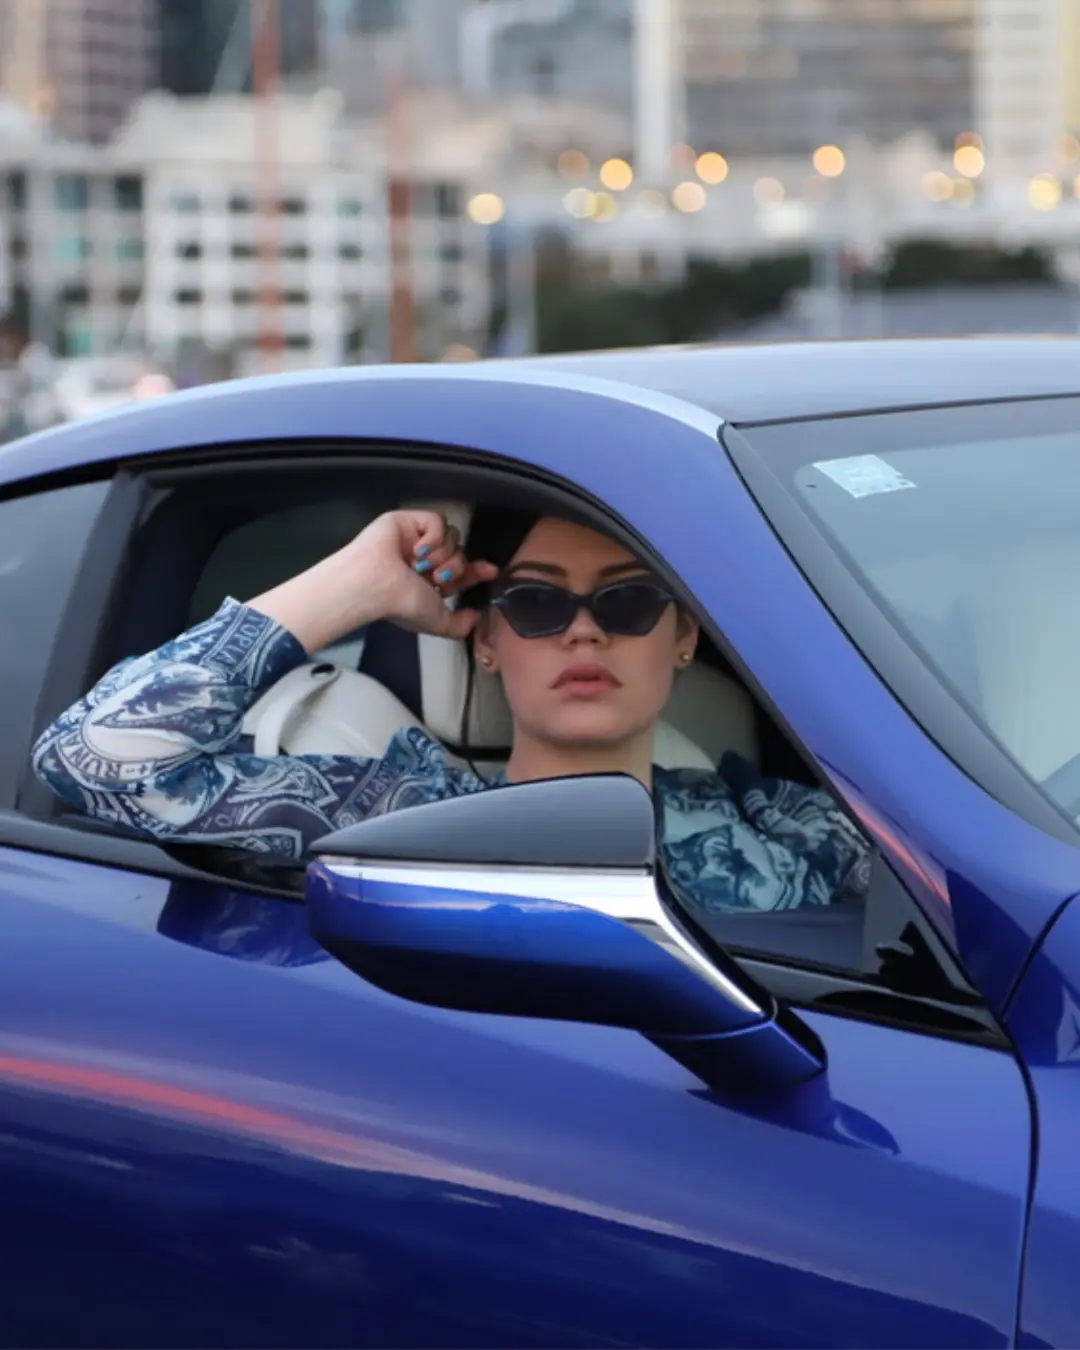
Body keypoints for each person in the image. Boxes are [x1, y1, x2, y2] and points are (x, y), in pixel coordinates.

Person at [32, 507, 871, 917]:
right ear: (488, 642)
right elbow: (95, 762)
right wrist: (352, 588)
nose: (583, 631)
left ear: (682, 636)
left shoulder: (785, 821)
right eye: (537, 602)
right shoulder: (405, 814)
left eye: (627, 602)